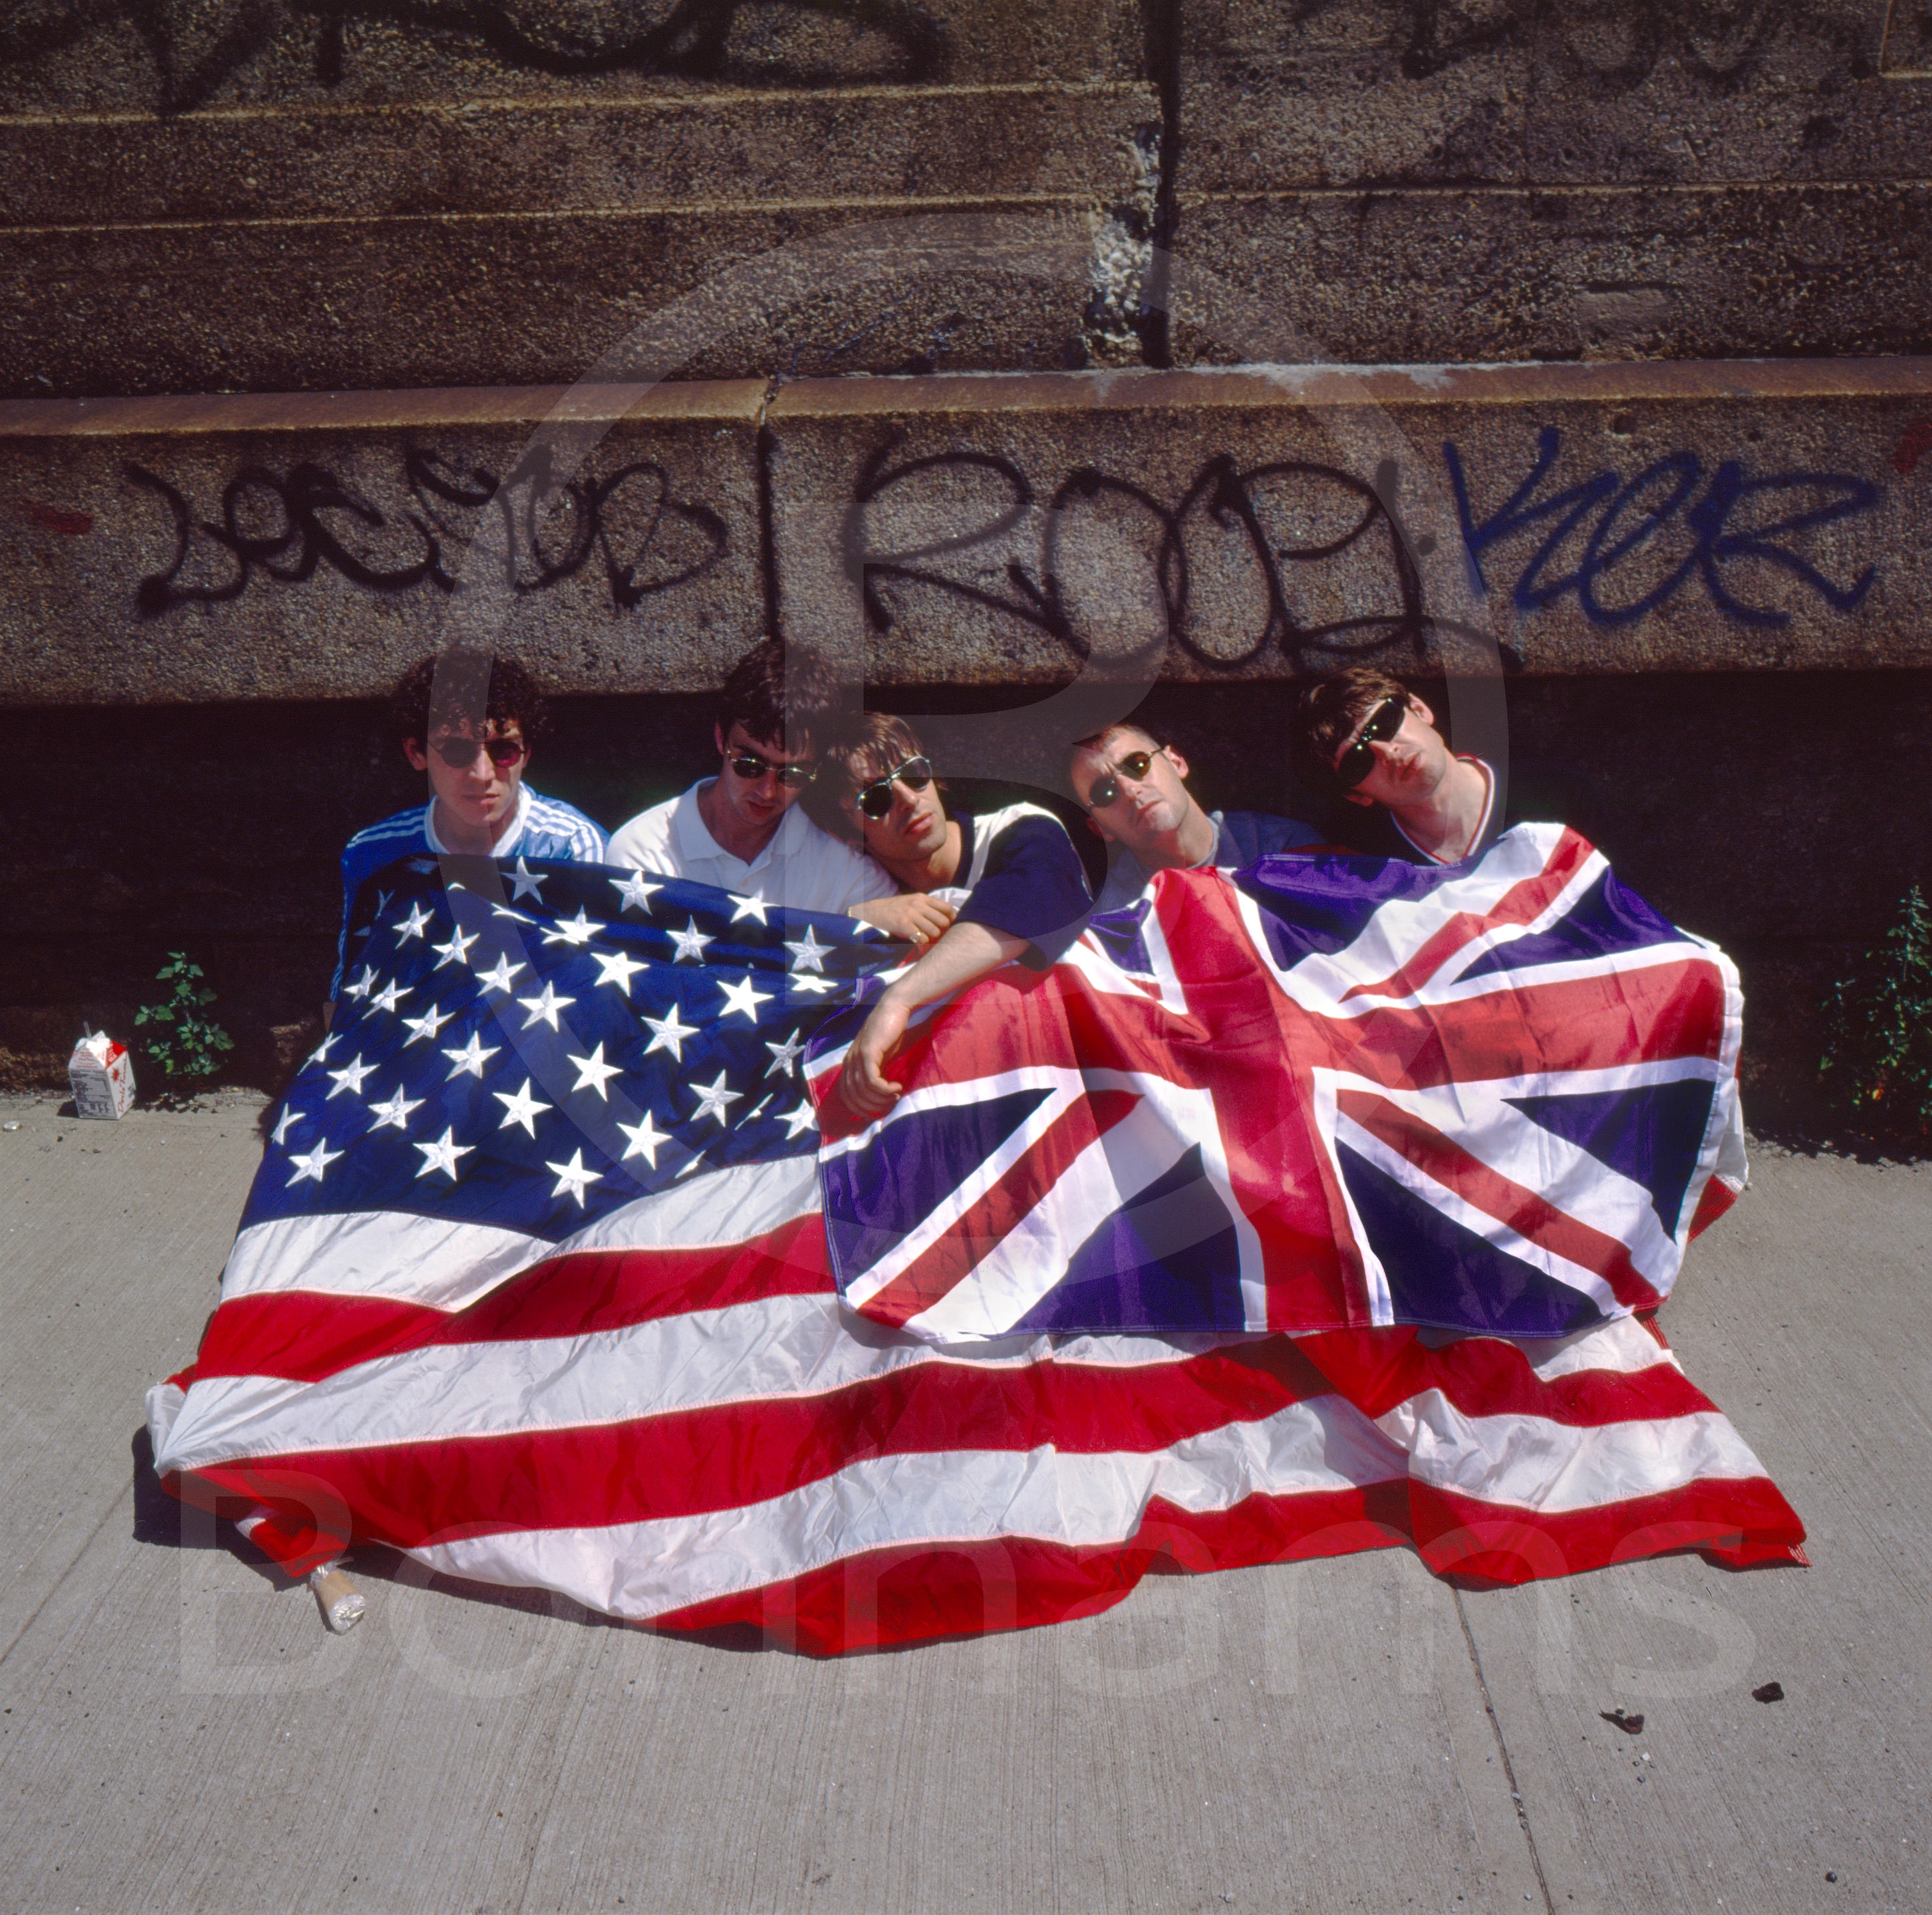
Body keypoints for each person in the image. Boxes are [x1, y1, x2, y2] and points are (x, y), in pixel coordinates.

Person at [825, 714, 1093, 1120]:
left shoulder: (1020, 827)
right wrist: (856, 918)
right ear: (849, 834)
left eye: (914, 774)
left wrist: (899, 1000)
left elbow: (1033, 901)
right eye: (876, 798)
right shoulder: (873, 899)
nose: (908, 799)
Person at [325, 651, 606, 1026]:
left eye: (503, 750)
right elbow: (348, 993)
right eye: (458, 751)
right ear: (416, 753)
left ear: (526, 754)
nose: (482, 774)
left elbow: (592, 997)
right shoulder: (373, 853)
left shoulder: (572, 847)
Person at [605, 638, 932, 938]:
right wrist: (836, 925)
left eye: (793, 774)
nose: (767, 791)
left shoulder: (845, 861)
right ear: (721, 738)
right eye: (750, 765)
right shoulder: (643, 850)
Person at [1067, 721, 1323, 912]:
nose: (1130, 790)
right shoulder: (1109, 920)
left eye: (1137, 764)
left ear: (1176, 762)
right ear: (1099, 828)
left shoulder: (1289, 850)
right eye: (1105, 792)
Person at [1290, 666, 1516, 866]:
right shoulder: (1367, 871)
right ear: (1356, 796)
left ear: (1419, 709)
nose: (1388, 752)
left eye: (1384, 723)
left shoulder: (1534, 793)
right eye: (1357, 761)